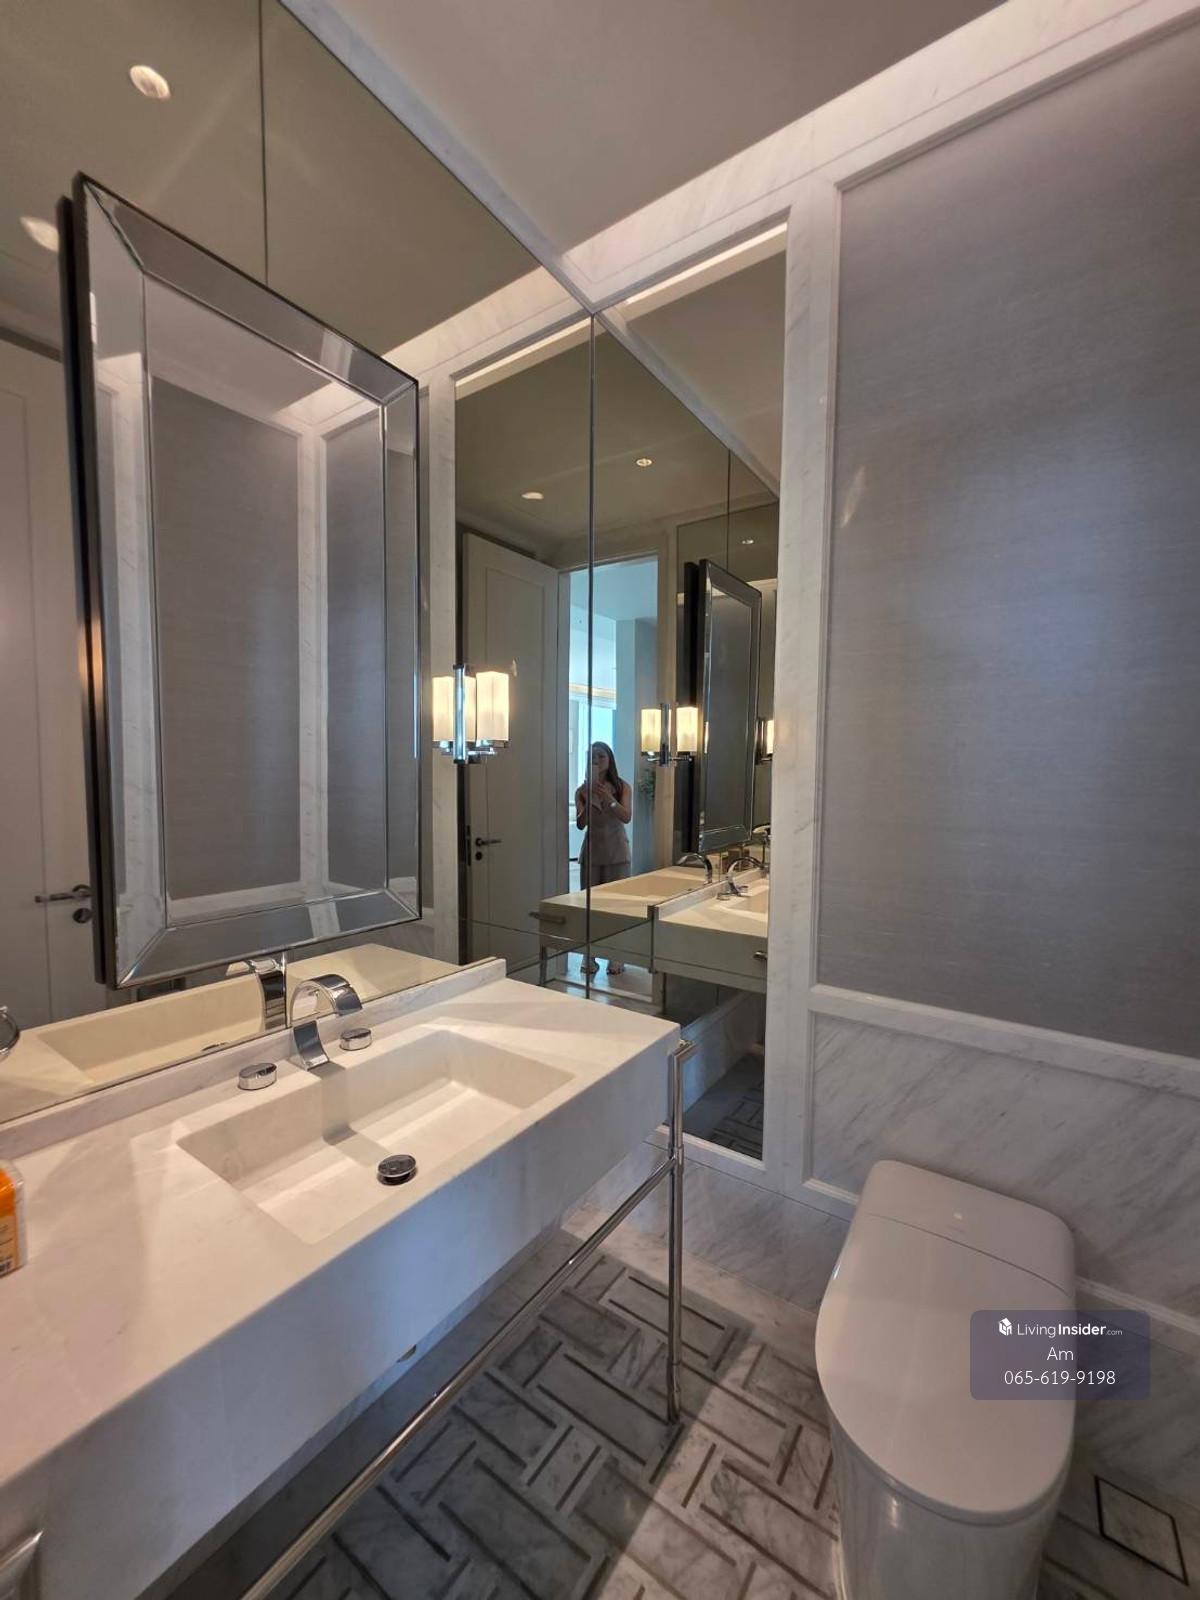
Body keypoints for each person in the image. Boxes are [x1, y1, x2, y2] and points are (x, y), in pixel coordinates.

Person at [575, 741, 633, 976]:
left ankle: (616, 956)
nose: (597, 760)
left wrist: (608, 797)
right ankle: (588, 956)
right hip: (592, 852)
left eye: (601, 756)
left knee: (616, 906)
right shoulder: (581, 790)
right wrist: (589, 800)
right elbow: (580, 824)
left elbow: (626, 816)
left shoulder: (622, 787)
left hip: (617, 851)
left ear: (609, 760)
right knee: (590, 907)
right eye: (592, 756)